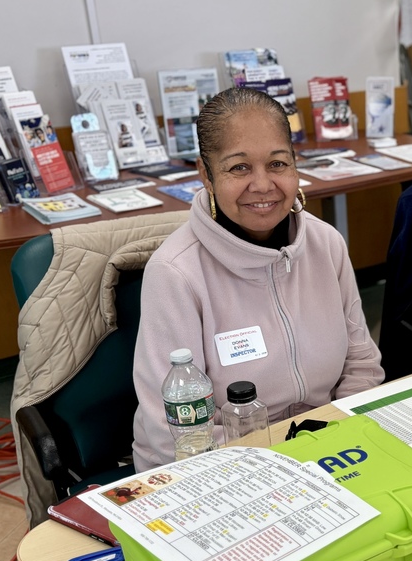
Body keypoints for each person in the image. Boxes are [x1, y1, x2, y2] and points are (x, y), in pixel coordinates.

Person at [131, 87, 384, 471]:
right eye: (239, 167)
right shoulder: (175, 274)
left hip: (326, 450)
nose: (263, 185)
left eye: (278, 164)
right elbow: (174, 430)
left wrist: (339, 438)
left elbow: (361, 364)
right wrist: (281, 467)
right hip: (212, 466)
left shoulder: (326, 244)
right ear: (206, 174)